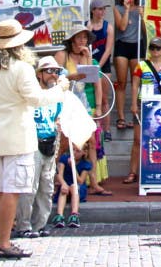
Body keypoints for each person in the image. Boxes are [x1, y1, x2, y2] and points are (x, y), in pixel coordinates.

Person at [0, 19, 69, 259]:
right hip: (19, 137)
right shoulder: (21, 68)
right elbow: (37, 98)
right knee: (12, 192)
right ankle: (4, 242)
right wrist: (60, 90)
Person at [55, 24, 112, 197]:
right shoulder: (62, 56)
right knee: (65, 143)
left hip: (86, 105)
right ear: (72, 40)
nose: (82, 41)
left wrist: (100, 107)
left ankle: (93, 181)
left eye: (85, 38)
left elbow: (95, 82)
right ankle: (56, 178)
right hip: (67, 104)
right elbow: (54, 77)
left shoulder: (92, 60)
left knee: (92, 143)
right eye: (79, 37)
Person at [13, 56, 63, 239]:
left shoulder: (57, 96)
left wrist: (58, 123)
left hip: (50, 142)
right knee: (29, 187)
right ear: (39, 74)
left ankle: (40, 225)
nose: (53, 75)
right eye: (49, 71)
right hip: (32, 143)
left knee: (47, 186)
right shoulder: (32, 93)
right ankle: (23, 225)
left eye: (56, 71)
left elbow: (57, 116)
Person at [123, 37, 161, 185]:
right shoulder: (141, 65)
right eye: (152, 47)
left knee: (159, 140)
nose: (155, 50)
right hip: (143, 103)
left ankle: (157, 170)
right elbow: (134, 85)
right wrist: (133, 104)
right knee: (137, 139)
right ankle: (133, 172)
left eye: (158, 48)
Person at [113, 0, 146, 130]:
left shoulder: (140, 9)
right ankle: (121, 116)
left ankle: (135, 113)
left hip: (136, 45)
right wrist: (127, 10)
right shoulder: (117, 8)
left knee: (136, 82)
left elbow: (147, 31)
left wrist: (143, 16)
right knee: (121, 82)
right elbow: (122, 27)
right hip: (122, 45)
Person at [87, 0, 115, 140]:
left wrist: (98, 65)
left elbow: (108, 49)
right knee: (91, 96)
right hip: (90, 63)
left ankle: (107, 129)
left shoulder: (108, 27)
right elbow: (85, 45)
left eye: (103, 9)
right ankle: (94, 127)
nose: (102, 12)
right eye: (99, 9)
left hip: (102, 65)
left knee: (104, 98)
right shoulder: (88, 26)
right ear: (93, 10)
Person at [51, 142, 90, 229]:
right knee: (63, 189)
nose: (74, 153)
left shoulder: (85, 164)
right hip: (66, 184)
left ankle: (74, 215)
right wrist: (64, 184)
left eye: (78, 151)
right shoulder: (64, 158)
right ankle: (59, 216)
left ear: (84, 152)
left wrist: (73, 167)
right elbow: (59, 175)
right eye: (73, 150)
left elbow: (80, 180)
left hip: (78, 187)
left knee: (74, 187)